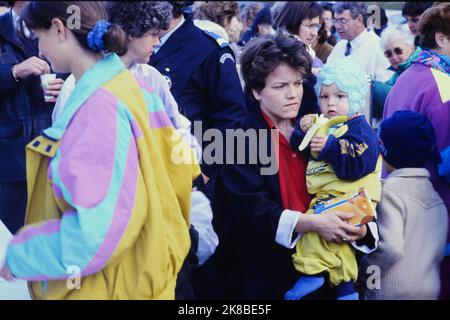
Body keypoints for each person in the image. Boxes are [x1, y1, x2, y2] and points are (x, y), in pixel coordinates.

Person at [0, 1, 200, 300]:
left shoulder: (98, 107)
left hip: (108, 286)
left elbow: (96, 234)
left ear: (58, 29)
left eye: (39, 36)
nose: (38, 49)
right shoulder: (134, 89)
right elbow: (180, 172)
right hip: (139, 275)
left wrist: (22, 256)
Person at [212, 32, 365, 300]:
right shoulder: (236, 136)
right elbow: (252, 209)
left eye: (297, 83)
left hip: (328, 266)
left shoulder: (319, 122)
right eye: (280, 86)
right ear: (257, 90)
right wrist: (314, 223)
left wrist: (361, 226)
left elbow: (357, 178)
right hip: (263, 274)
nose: (293, 94)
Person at [150, 1, 247, 299]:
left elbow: (231, 120)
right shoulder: (136, 42)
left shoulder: (207, 48)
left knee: (195, 265)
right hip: (151, 176)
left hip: (193, 180)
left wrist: (204, 171)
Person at [285, 57, 380, 300]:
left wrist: (330, 148)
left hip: (352, 198)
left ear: (356, 97)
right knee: (341, 246)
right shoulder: (324, 124)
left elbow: (358, 164)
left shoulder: (360, 128)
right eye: (324, 97)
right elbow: (299, 146)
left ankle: (312, 273)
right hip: (328, 197)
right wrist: (302, 129)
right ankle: (347, 291)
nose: (331, 103)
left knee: (314, 234)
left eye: (340, 96)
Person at [383, 2, 450, 300]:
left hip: (399, 210)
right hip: (435, 222)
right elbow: (447, 162)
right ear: (442, 39)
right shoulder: (443, 83)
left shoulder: (407, 75)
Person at [361, 111, 448, 300]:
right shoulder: (437, 201)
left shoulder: (391, 191)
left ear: (386, 151)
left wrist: (365, 278)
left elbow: (389, 249)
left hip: (390, 294)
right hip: (429, 292)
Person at [0, 0, 64, 234]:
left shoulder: (60, 27)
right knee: (10, 240)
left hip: (54, 150)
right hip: (9, 158)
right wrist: (15, 71)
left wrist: (65, 85)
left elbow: (80, 69)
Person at [327, 2, 392, 82]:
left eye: (342, 20)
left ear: (359, 20)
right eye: (335, 21)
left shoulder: (378, 47)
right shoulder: (340, 45)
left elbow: (384, 86)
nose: (337, 26)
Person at [371, 27, 421, 120]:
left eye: (398, 51)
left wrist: (371, 84)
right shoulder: (398, 73)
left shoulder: (419, 66)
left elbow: (398, 98)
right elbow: (378, 112)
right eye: (388, 54)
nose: (394, 57)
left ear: (412, 47)